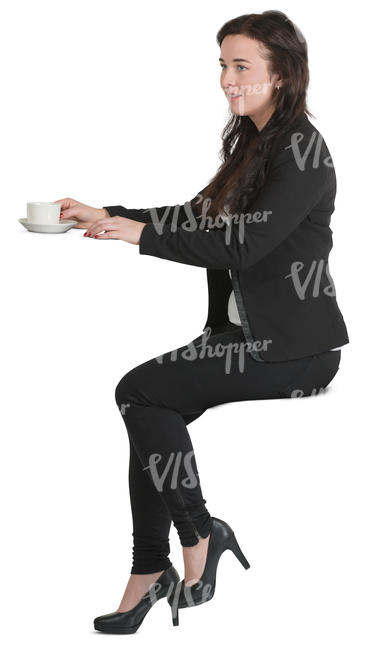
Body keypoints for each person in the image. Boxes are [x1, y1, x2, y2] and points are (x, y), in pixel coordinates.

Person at [55, 10, 349, 634]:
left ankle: (198, 536)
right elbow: (199, 218)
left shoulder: (303, 149)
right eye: (222, 64)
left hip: (296, 349)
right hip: (242, 338)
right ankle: (148, 573)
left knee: (138, 391)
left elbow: (241, 245)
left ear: (282, 75)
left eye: (242, 66)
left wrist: (136, 237)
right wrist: (107, 212)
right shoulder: (254, 142)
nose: (226, 79)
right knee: (148, 413)